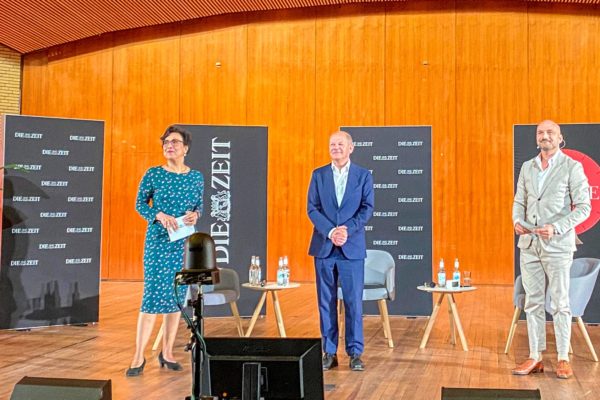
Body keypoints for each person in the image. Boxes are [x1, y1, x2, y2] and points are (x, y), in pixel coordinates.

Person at [512, 120, 590, 379]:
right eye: (540, 133)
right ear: (537, 139)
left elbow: (583, 207)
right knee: (533, 303)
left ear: (560, 137)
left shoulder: (572, 167)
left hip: (558, 245)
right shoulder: (527, 167)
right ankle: (535, 356)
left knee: (559, 303)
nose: (545, 136)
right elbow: (518, 201)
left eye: (550, 133)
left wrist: (556, 227)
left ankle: (563, 358)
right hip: (529, 245)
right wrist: (516, 221)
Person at [126, 125, 204, 377]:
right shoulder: (154, 174)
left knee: (177, 298)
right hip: (158, 243)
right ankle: (139, 356)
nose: (169, 146)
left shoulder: (196, 177)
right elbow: (139, 204)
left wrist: (195, 215)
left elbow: (198, 206)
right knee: (151, 298)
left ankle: (167, 351)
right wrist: (157, 214)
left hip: (183, 243)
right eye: (165, 142)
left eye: (174, 142)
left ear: (186, 148)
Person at [307, 130, 374, 372]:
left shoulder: (363, 176)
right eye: (332, 144)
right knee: (326, 302)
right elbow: (312, 209)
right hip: (324, 248)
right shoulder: (318, 175)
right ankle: (329, 352)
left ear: (351, 148)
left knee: (354, 303)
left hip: (351, 248)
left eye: (340, 144)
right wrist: (331, 231)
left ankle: (355, 353)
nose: (335, 147)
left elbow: (367, 208)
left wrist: (346, 230)